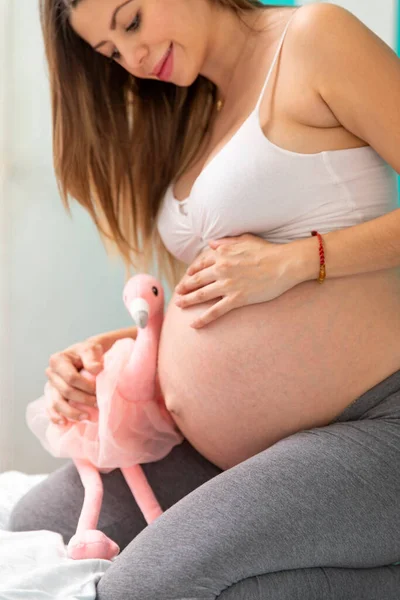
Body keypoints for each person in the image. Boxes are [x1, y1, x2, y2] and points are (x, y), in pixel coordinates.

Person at [9, 0, 400, 597]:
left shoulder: (313, 37)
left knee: (149, 588)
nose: (133, 59)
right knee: (40, 522)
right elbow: (225, 289)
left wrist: (297, 262)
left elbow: (270, 272)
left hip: (375, 420)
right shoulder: (197, 109)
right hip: (233, 445)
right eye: (111, 53)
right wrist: (115, 348)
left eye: (131, 20)